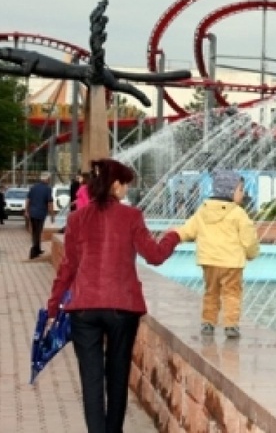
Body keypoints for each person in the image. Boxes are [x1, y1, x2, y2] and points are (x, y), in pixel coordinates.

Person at [46, 158, 180, 433]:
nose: (126, 191)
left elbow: (67, 268)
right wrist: (173, 236)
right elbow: (154, 256)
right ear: (116, 185)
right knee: (117, 377)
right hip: (122, 308)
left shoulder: (76, 218)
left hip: (84, 309)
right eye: (125, 185)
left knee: (91, 381)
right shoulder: (131, 216)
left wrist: (52, 309)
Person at [175, 170, 260, 339]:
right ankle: (231, 325)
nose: (243, 194)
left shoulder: (203, 210)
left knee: (211, 292)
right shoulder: (238, 213)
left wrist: (174, 236)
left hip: (209, 262)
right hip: (231, 263)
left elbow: (188, 230)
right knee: (232, 293)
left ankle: (208, 322)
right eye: (240, 190)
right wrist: (252, 253)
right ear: (229, 191)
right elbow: (248, 238)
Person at [25, 172, 54, 259]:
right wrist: (52, 214)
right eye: (49, 179)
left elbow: (28, 199)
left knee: (34, 231)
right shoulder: (48, 189)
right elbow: (50, 203)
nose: (50, 180)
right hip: (41, 213)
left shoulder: (33, 187)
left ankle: (37, 249)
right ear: (47, 179)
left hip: (32, 212)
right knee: (38, 231)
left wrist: (26, 210)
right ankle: (34, 251)